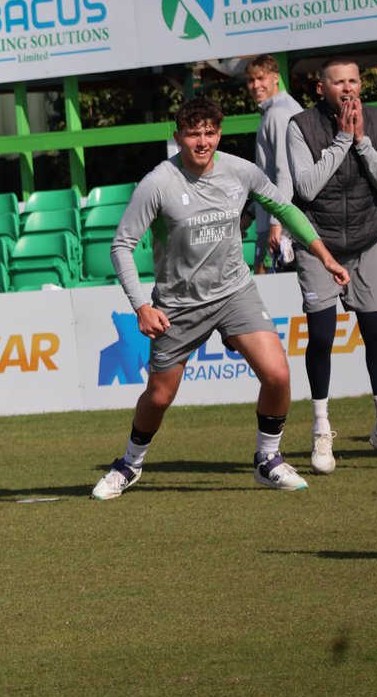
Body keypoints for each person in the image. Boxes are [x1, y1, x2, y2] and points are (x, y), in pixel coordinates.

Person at [92, 98, 349, 500]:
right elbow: (122, 245)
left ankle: (268, 460)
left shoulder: (240, 171)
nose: (202, 141)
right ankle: (129, 463)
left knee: (278, 375)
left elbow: (284, 208)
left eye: (209, 132)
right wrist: (142, 305)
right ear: (178, 137)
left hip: (235, 292)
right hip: (178, 305)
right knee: (159, 396)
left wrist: (325, 256)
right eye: (193, 134)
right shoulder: (158, 182)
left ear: (219, 134)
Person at [285, 56, 377, 474]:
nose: (348, 88)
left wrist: (362, 142)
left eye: (353, 80)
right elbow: (305, 187)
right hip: (317, 244)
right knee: (322, 337)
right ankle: (321, 429)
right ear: (320, 88)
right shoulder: (300, 126)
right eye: (338, 81)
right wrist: (343, 140)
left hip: (367, 240)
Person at [245, 54, 303, 273]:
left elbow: (286, 173)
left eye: (261, 78)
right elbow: (268, 174)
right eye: (251, 80)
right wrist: (250, 214)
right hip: (278, 220)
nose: (255, 85)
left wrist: (276, 224)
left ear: (276, 77)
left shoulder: (279, 114)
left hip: (281, 227)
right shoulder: (276, 110)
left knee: (278, 300)